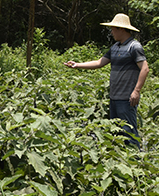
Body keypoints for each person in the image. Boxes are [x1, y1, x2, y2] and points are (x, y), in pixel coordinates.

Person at [64, 13, 149, 147]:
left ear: (121, 29)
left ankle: (135, 160)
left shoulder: (134, 47)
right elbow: (99, 62)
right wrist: (77, 65)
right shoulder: (115, 47)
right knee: (116, 132)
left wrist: (136, 91)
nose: (111, 32)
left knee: (129, 132)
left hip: (127, 98)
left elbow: (145, 68)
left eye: (113, 29)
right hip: (114, 97)